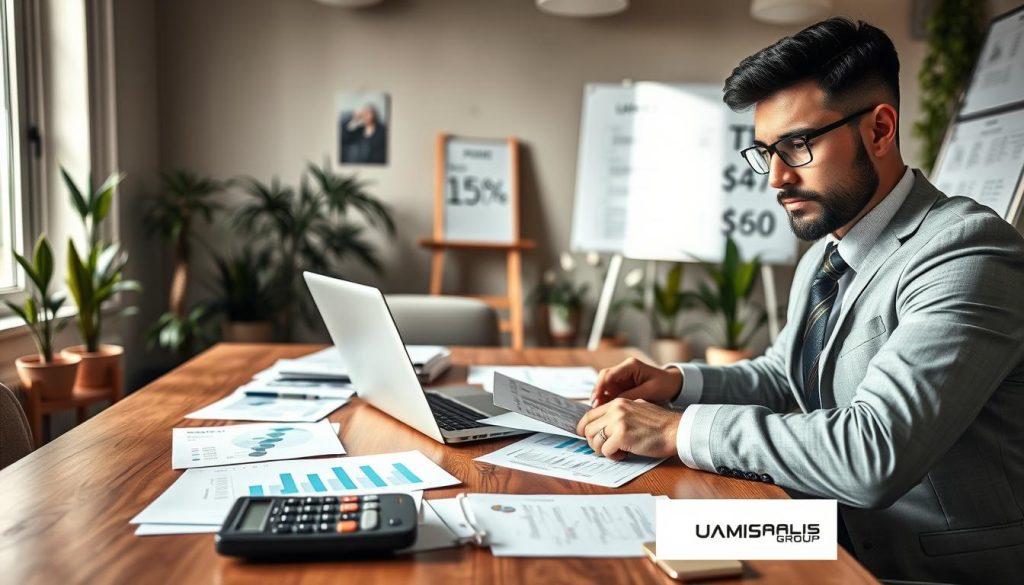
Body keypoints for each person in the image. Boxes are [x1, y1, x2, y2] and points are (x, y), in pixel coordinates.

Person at [576, 17, 1024, 584]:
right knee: (614, 542)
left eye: (798, 145)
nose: (777, 178)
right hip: (815, 527)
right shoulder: (825, 253)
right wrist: (676, 384)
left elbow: (873, 453)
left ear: (880, 130)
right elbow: (787, 376)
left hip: (918, 567)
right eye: (767, 151)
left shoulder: (968, 253)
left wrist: (674, 430)